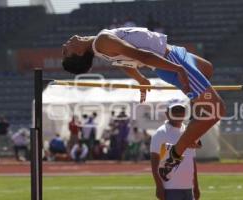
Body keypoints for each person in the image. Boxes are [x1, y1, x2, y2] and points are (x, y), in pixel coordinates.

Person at [61, 27, 226, 180]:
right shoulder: (102, 41)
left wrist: (140, 78)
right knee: (217, 109)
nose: (64, 45)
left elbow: (123, 61)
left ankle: (192, 131)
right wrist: (178, 69)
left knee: (207, 69)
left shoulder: (99, 46)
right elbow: (142, 56)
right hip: (171, 61)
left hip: (173, 52)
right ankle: (175, 153)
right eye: (65, 51)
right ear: (79, 53)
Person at [150, 101, 201, 200]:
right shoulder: (161, 133)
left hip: (188, 187)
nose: (178, 113)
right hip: (170, 188)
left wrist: (196, 186)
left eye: (181, 110)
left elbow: (192, 161)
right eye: (175, 110)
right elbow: (154, 161)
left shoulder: (189, 132)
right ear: (167, 114)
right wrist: (159, 186)